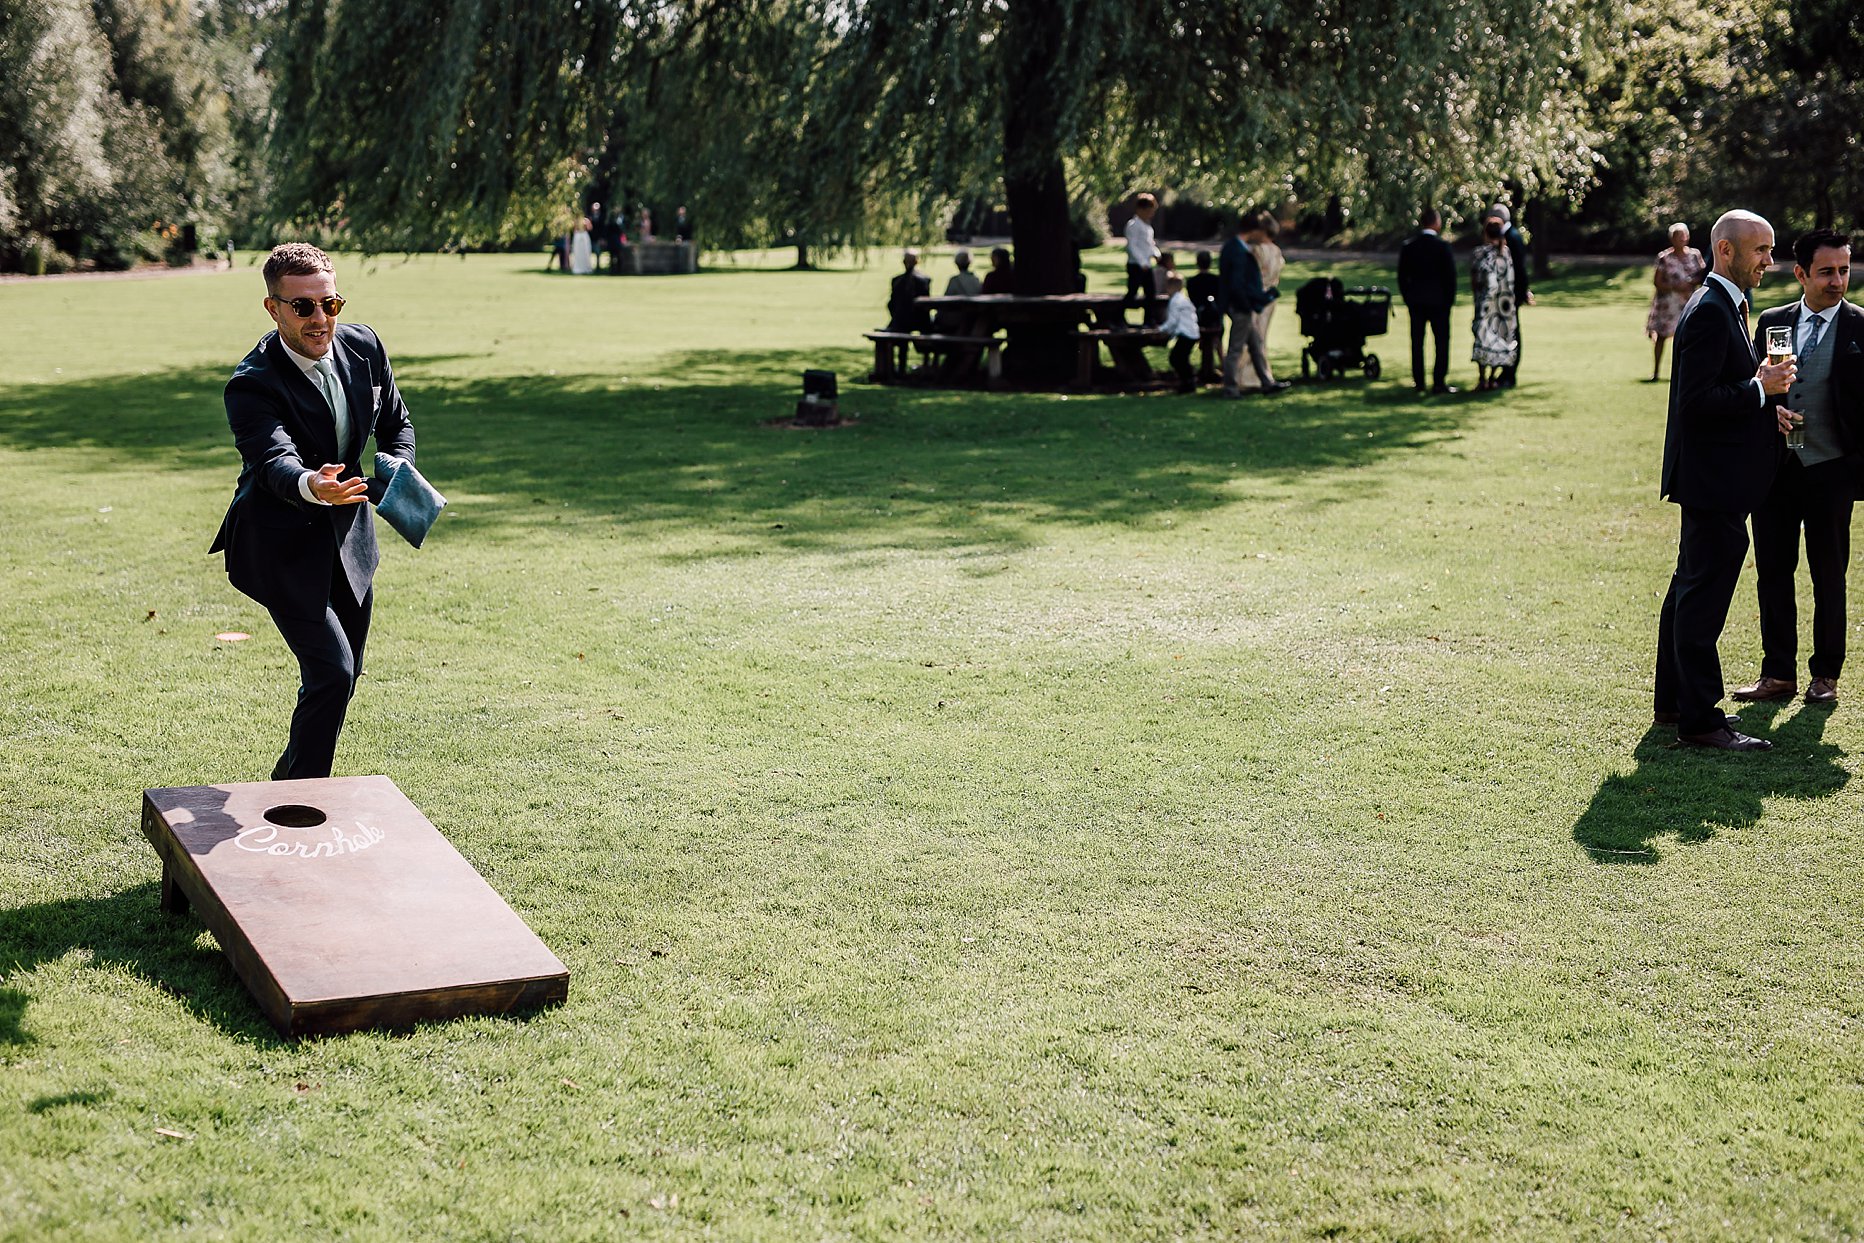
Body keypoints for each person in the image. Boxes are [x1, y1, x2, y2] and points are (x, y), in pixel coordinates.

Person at [210, 244, 418, 779]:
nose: (320, 318)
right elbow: (272, 461)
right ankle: (302, 798)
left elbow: (396, 423)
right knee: (332, 673)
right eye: (303, 307)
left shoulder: (365, 346)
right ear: (273, 308)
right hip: (278, 544)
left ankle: (288, 785)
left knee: (344, 675)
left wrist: (396, 468)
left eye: (331, 303)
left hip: (350, 540)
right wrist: (312, 484)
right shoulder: (252, 383)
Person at [1653, 209, 1798, 751]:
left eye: (1771, 249)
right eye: (1761, 250)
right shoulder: (1712, 310)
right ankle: (1701, 722)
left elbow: (1722, 390)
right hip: (1713, 482)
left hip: (1712, 478)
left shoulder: (1725, 304)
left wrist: (1766, 408)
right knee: (1701, 601)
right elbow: (1696, 405)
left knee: (1687, 591)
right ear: (1726, 250)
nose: (1769, 261)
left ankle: (1673, 702)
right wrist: (1761, 389)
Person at [1732, 229, 1863, 708]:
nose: (1837, 281)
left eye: (1844, 270)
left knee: (1829, 574)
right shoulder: (1774, 322)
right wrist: (1771, 412)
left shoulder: (1860, 326)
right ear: (1802, 274)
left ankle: (1826, 675)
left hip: (1832, 469)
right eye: (1827, 272)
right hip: (1777, 470)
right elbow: (1753, 383)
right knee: (1772, 571)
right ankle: (1777, 674)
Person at [1218, 213, 1286, 397]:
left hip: (1245, 304)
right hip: (1241, 305)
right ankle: (1231, 387)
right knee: (1236, 348)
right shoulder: (1237, 250)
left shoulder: (1238, 247)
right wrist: (1247, 303)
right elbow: (1236, 283)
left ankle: (1267, 382)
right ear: (1255, 230)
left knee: (1256, 346)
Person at [1397, 206, 1458, 393]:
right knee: (1441, 342)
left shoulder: (1409, 247)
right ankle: (1439, 381)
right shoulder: (1443, 247)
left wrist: (1408, 298)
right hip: (1439, 302)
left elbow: (1402, 277)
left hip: (1416, 301)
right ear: (1436, 223)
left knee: (1417, 343)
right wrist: (1449, 301)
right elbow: (1450, 278)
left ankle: (1419, 382)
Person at [1647, 222, 1707, 381]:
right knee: (1661, 336)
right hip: (1668, 304)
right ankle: (1656, 372)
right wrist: (1675, 286)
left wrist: (1690, 283)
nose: (1681, 239)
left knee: (1688, 337)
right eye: (1677, 236)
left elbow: (1702, 275)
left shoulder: (1694, 255)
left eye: (1683, 236)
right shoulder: (1664, 257)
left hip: (1688, 302)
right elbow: (1657, 281)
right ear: (1671, 239)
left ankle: (1686, 372)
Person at [1470, 217, 1519, 390]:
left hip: (1486, 305)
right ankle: (1492, 378)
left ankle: (1482, 379)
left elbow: (1477, 279)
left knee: (1483, 339)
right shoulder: (1506, 253)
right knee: (1499, 340)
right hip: (1504, 307)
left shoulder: (1480, 253)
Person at [1490, 202, 1533, 384]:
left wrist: (1521, 293)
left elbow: (1519, 269)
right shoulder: (1509, 236)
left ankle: (1509, 373)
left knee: (1511, 333)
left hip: (1510, 295)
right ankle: (1505, 371)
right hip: (1506, 295)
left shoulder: (1511, 237)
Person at [882, 248, 933, 371]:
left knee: (899, 331)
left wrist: (895, 316)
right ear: (917, 262)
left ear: (904, 262)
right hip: (920, 321)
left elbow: (891, 304)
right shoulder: (924, 280)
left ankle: (901, 366)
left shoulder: (896, 281)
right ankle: (926, 364)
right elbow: (926, 304)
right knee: (929, 327)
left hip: (901, 321)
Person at [1123, 192, 1160, 325]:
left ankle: (1148, 320)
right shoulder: (1133, 225)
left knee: (1150, 293)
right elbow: (1132, 246)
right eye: (1149, 211)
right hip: (1136, 265)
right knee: (1132, 292)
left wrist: (1156, 254)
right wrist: (1142, 262)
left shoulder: (1147, 226)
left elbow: (1149, 245)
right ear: (1140, 210)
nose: (1151, 214)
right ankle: (1119, 316)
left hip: (1146, 265)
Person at [1185, 250, 1223, 383]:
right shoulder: (1217, 280)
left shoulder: (1192, 282)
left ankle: (1208, 368)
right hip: (1214, 318)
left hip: (1199, 318)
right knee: (1217, 340)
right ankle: (1220, 364)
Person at [1160, 273, 1201, 393]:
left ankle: (1188, 382)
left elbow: (1172, 321)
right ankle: (1188, 381)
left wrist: (1161, 329)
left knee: (1176, 358)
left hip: (1185, 333)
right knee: (1181, 358)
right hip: (1192, 332)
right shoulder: (1184, 299)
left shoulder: (1175, 301)